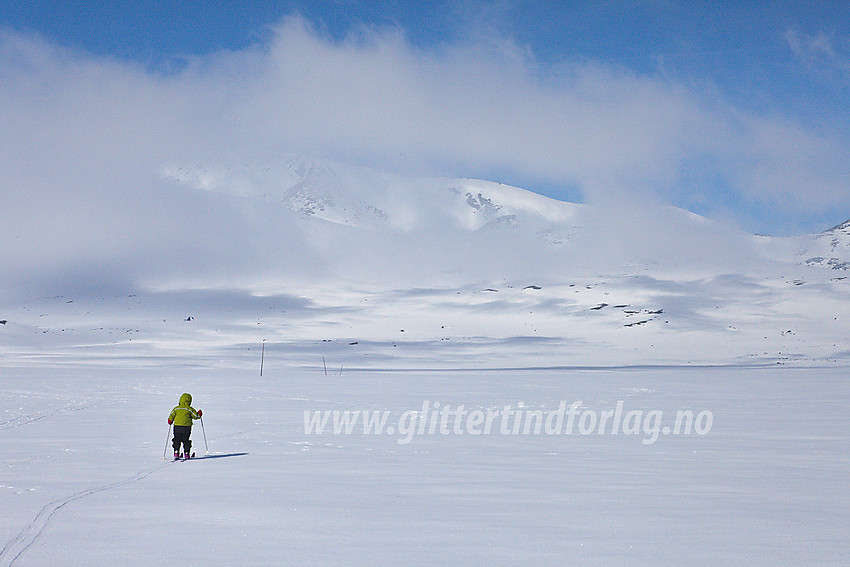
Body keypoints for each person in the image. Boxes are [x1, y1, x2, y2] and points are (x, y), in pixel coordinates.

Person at [168, 393, 202, 459]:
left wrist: (170, 421)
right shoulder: (189, 409)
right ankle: (186, 453)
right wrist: (199, 413)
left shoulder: (177, 408)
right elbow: (196, 416)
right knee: (186, 440)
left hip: (177, 427)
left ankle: (176, 452)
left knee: (177, 439)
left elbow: (171, 416)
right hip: (186, 427)